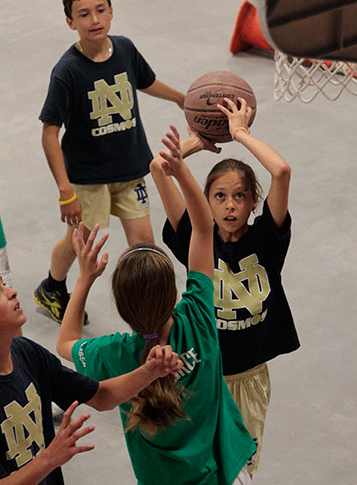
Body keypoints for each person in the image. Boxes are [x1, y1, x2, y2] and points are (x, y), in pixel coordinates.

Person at [56, 125, 256, 485]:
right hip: (226, 473)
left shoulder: (114, 354)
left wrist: (84, 278)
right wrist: (179, 170)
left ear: (123, 307)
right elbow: (204, 229)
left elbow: (65, 342)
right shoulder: (197, 317)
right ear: (174, 293)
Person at [150, 97, 300, 475]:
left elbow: (281, 171)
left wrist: (240, 134)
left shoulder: (267, 239)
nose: (230, 205)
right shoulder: (196, 240)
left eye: (240, 196)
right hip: (201, 375)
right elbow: (158, 168)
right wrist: (199, 141)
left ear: (254, 202)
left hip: (249, 379)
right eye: (219, 196)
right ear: (206, 202)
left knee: (240, 471)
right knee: (201, 469)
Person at [33, 0, 185, 324]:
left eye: (100, 10)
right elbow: (49, 133)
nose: (94, 19)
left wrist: (180, 98)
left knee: (144, 244)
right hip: (89, 178)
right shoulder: (67, 71)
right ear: (70, 22)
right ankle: (52, 287)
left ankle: (149, 313)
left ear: (112, 11)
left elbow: (145, 81)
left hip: (130, 169)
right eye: (83, 14)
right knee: (82, 243)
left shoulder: (125, 49)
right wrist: (65, 191)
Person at [0, 277, 181, 484]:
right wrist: (48, 459)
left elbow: (102, 396)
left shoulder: (28, 353)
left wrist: (149, 372)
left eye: (4, 284)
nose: (12, 291)